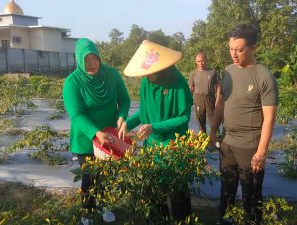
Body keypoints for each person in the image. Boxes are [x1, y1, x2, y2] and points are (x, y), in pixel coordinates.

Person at [209, 24, 279, 225]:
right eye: (231, 49)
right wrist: (213, 132)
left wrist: (261, 152)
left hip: (250, 146)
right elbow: (220, 104)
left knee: (251, 193)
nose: (234, 54)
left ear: (253, 48)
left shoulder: (263, 76)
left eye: (239, 50)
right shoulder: (228, 72)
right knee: (226, 187)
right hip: (227, 142)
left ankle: (253, 220)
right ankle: (225, 219)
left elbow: (269, 118)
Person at [118, 40, 193, 222]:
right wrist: (127, 123)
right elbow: (144, 113)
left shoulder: (178, 82)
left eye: (151, 73)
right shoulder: (146, 83)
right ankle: (160, 220)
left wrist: (154, 127)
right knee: (155, 189)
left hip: (173, 144)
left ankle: (182, 220)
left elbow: (183, 117)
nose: (148, 76)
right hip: (152, 144)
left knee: (177, 190)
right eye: (146, 73)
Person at [62, 38, 131, 216]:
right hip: (86, 138)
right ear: (79, 60)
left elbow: (124, 100)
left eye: (94, 58)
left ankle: (103, 207)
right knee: (90, 176)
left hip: (108, 136)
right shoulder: (73, 82)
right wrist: (95, 132)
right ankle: (87, 212)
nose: (91, 64)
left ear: (99, 58)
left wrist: (122, 116)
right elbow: (76, 114)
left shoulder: (112, 74)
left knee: (106, 174)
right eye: (86, 60)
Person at [188, 52, 221, 134]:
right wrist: (188, 100)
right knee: (200, 120)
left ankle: (216, 138)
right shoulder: (193, 73)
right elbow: (191, 87)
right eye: (198, 61)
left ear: (206, 60)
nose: (200, 63)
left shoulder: (213, 72)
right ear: (196, 62)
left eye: (202, 61)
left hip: (210, 98)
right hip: (198, 98)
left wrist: (218, 98)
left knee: (213, 119)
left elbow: (218, 86)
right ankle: (203, 139)